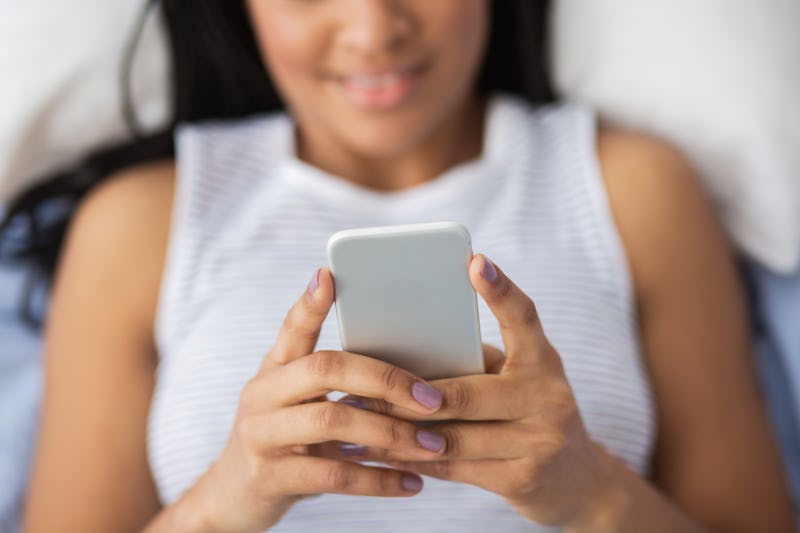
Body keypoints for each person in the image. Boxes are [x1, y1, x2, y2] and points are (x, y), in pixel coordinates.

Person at [11, 1, 793, 531]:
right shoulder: (139, 222)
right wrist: (229, 497)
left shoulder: (634, 188)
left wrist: (592, 493)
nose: (373, 28)